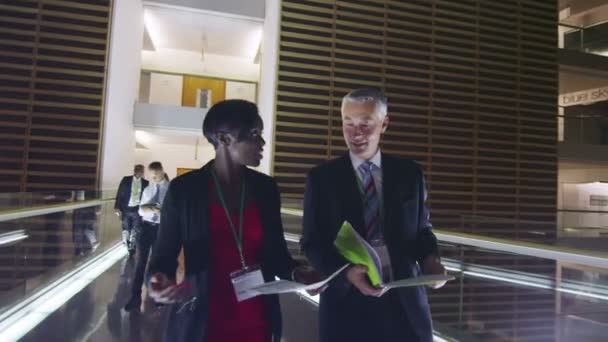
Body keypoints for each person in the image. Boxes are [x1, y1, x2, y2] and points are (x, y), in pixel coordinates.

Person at [146, 99, 314, 342]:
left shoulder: (265, 189)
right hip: (204, 320)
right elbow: (163, 254)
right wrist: (158, 280)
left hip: (257, 320)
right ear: (224, 139)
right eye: (254, 134)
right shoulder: (184, 190)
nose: (262, 142)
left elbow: (276, 256)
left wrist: (299, 274)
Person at [301, 88, 447, 342]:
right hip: (345, 306)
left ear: (384, 124)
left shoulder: (409, 174)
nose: (356, 133)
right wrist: (345, 273)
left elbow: (422, 231)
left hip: (404, 305)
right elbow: (311, 242)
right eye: (348, 123)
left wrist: (430, 262)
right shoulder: (321, 179)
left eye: (366, 124)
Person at [124, 161, 169, 311]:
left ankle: (158, 296)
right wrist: (152, 209)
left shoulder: (170, 189)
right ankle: (135, 297)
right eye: (152, 176)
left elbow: (170, 211)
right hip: (145, 227)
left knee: (158, 264)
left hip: (161, 229)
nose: (154, 178)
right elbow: (141, 210)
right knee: (140, 263)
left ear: (162, 172)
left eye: (156, 175)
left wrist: (157, 210)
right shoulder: (148, 190)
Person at [115, 165, 149, 256]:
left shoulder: (145, 183)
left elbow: (147, 197)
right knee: (126, 227)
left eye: (142, 171)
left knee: (135, 228)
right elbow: (119, 192)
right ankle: (126, 242)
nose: (140, 172)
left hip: (137, 209)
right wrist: (117, 207)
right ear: (135, 171)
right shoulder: (126, 180)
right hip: (126, 207)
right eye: (139, 170)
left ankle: (132, 247)